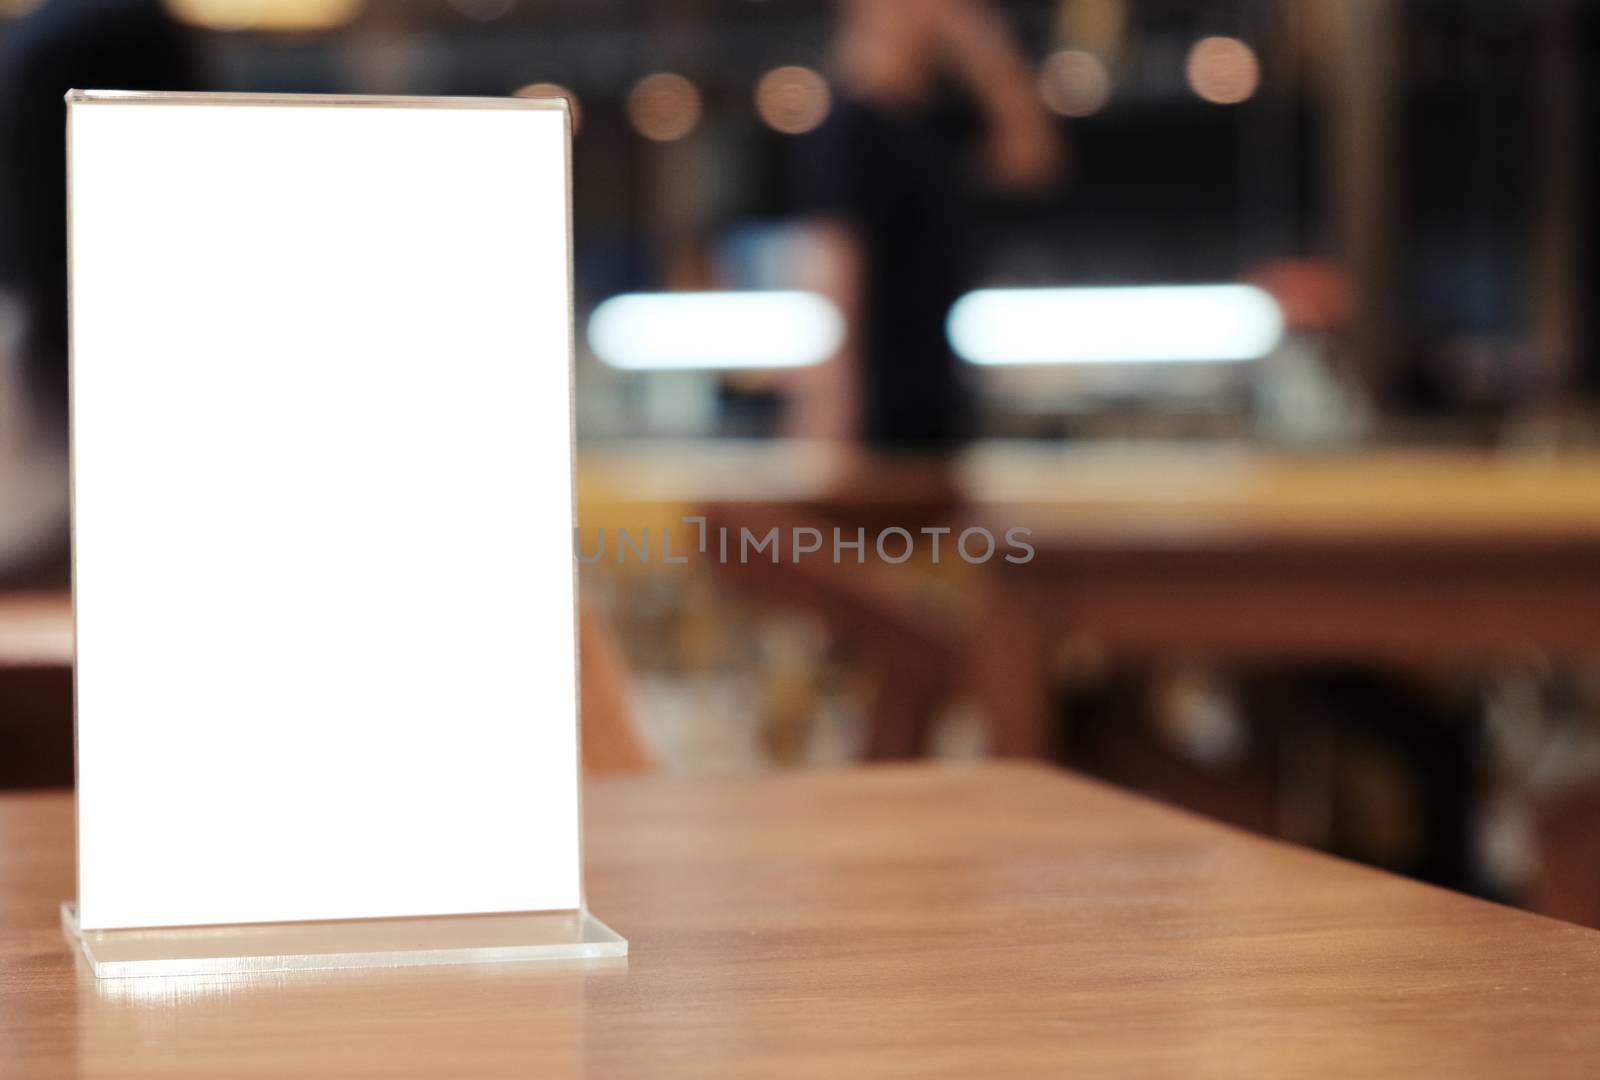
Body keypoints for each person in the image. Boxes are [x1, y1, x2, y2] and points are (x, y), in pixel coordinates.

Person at [788, 0, 1063, 449]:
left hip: (933, 402)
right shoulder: (852, 127)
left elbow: (1033, 160)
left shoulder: (931, 125)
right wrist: (829, 425)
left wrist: (986, 52)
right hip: (875, 421)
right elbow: (835, 279)